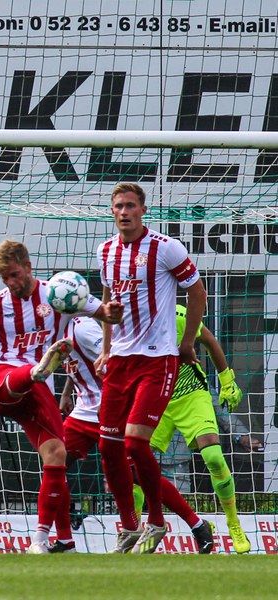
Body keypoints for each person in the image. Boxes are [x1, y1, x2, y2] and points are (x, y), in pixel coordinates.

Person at [0, 239, 124, 554]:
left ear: (28, 267)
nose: (10, 282)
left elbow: (104, 313)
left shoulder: (58, 294)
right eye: (5, 278)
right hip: (2, 379)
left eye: (14, 275)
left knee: (56, 454)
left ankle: (44, 541)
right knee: (22, 377)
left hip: (38, 391)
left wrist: (112, 312)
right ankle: (34, 370)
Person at [94, 182, 208, 554]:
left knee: (135, 442)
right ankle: (130, 527)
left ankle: (157, 521)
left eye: (130, 205)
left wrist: (187, 343)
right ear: (112, 211)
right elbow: (109, 302)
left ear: (143, 210)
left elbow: (197, 292)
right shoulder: (106, 250)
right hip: (120, 361)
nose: (124, 212)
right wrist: (106, 349)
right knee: (108, 447)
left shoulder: (165, 247)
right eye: (118, 206)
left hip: (158, 359)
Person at [59, 315, 215, 554]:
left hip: (111, 408)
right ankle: (63, 541)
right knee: (55, 463)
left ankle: (195, 524)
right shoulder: (54, 329)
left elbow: (110, 359)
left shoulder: (83, 328)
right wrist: (67, 392)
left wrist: (114, 399)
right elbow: (79, 361)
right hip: (84, 411)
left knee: (136, 474)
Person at [147, 304, 251, 553]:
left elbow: (210, 341)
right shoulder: (134, 318)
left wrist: (227, 380)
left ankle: (234, 523)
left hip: (191, 394)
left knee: (213, 457)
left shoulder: (179, 314)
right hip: (155, 397)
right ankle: (143, 529)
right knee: (134, 467)